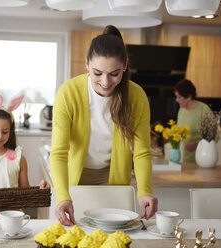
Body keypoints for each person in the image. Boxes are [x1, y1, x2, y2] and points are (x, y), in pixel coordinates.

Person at [50, 25, 158, 226]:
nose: (106, 82)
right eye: (97, 73)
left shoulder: (136, 96)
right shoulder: (68, 93)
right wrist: (63, 196)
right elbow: (58, 153)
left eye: (114, 73)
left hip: (113, 179)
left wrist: (144, 191)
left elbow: (142, 152)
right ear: (87, 64)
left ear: (125, 65)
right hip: (75, 178)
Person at [174, 79, 217, 163]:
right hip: (186, 160)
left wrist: (197, 145)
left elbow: (214, 136)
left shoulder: (204, 110)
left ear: (189, 97)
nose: (176, 100)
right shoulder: (181, 111)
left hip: (203, 159)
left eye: (179, 97)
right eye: (176, 97)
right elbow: (179, 133)